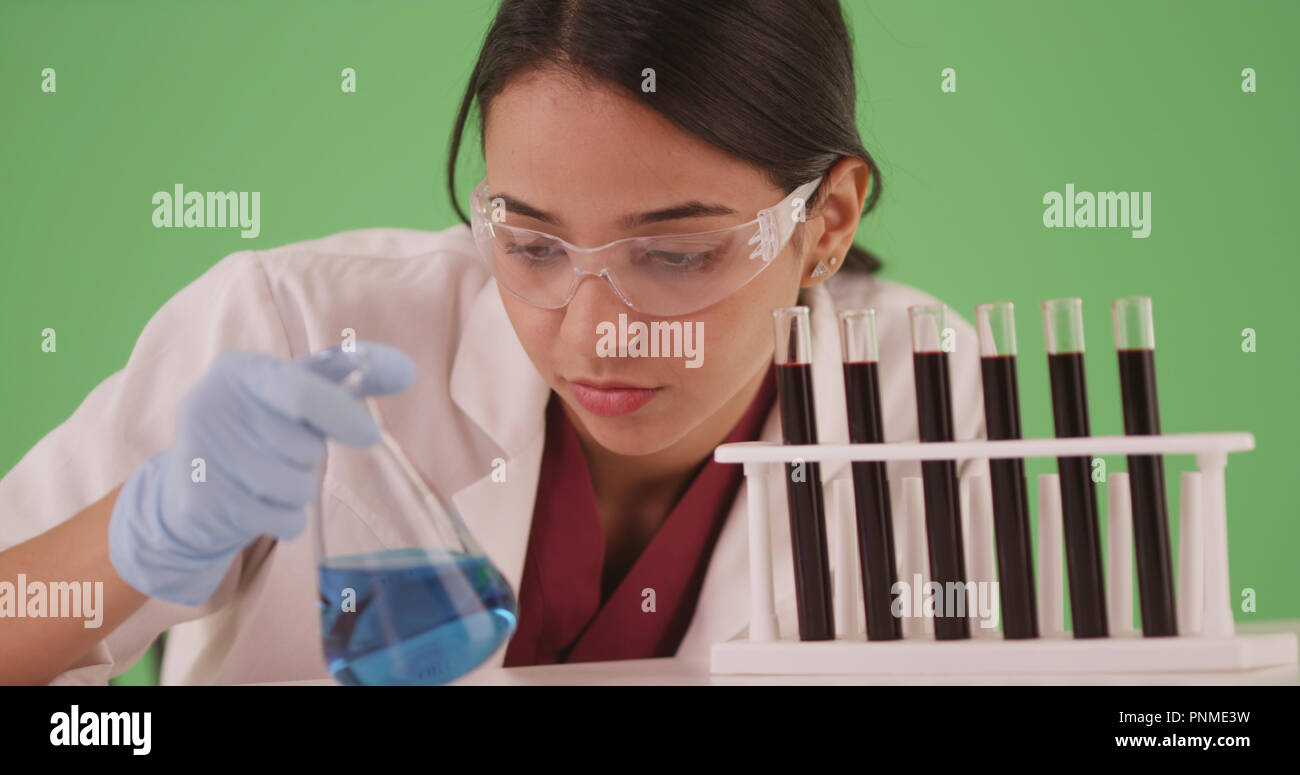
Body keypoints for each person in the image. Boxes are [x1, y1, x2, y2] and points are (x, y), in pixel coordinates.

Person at [0, 0, 988, 685]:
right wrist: (141, 534)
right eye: (532, 244)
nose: (593, 331)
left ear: (827, 224)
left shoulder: (916, 395)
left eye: (676, 255)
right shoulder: (296, 329)